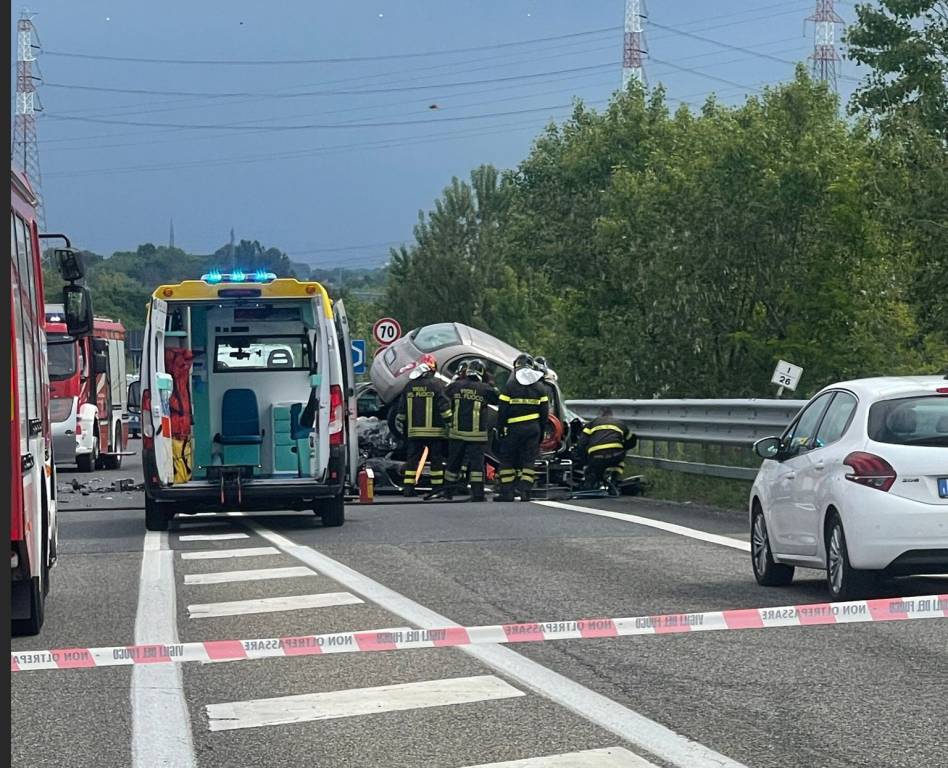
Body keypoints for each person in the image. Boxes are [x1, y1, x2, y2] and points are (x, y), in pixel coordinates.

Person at [395, 354, 452, 497]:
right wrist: (451, 422)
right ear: (432, 369)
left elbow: (401, 412)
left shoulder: (409, 386)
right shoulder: (438, 385)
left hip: (414, 432)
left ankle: (408, 488)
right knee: (436, 461)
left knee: (412, 460)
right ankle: (436, 488)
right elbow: (444, 408)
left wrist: (404, 427)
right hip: (435, 432)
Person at [496, 354, 549, 502]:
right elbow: (545, 414)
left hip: (513, 429)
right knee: (528, 460)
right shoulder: (540, 387)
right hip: (533, 429)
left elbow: (502, 411)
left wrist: (501, 429)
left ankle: (507, 493)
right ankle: (525, 491)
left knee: (508, 459)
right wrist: (541, 432)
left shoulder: (510, 387)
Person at [444, 359, 499, 501]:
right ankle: (478, 494)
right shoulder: (485, 389)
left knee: (453, 464)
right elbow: (496, 399)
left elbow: (444, 395)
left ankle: (447, 492)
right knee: (476, 466)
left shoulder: (455, 386)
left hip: (457, 433)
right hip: (477, 435)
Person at [576, 407, 636, 495]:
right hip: (615, 456)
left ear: (600, 415)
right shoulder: (621, 424)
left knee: (592, 469)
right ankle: (613, 479)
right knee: (619, 462)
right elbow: (632, 440)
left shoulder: (592, 423)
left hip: (596, 457)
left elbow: (581, 443)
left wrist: (584, 461)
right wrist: (623, 448)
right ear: (612, 415)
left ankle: (591, 482)